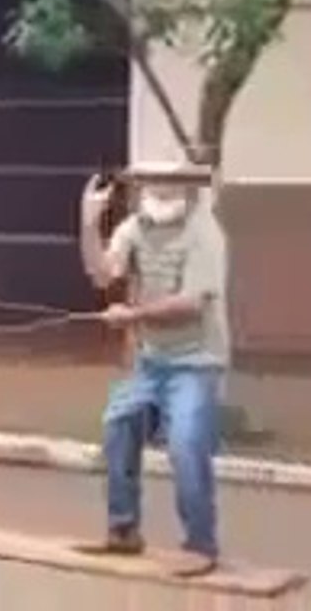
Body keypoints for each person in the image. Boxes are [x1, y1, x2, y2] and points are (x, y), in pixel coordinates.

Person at [77, 160, 230, 577]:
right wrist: (90, 225)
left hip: (197, 362)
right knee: (117, 424)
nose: (160, 190)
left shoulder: (204, 232)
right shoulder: (134, 227)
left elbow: (192, 303)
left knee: (185, 444)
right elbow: (102, 274)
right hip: (152, 360)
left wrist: (133, 315)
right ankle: (123, 530)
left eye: (169, 182)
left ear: (186, 188)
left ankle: (201, 544)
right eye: (153, 182)